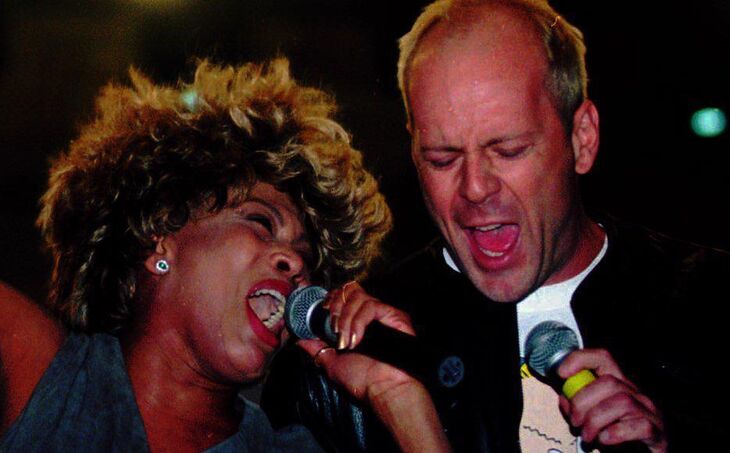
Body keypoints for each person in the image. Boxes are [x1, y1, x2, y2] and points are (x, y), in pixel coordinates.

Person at [262, 1, 730, 452]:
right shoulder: (353, 359)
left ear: (581, 138)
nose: (474, 187)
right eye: (443, 157)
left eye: (509, 149)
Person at [0, 58, 452, 452]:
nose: (295, 265)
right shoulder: (45, 375)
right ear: (160, 234)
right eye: (260, 222)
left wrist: (401, 399)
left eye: (305, 257)